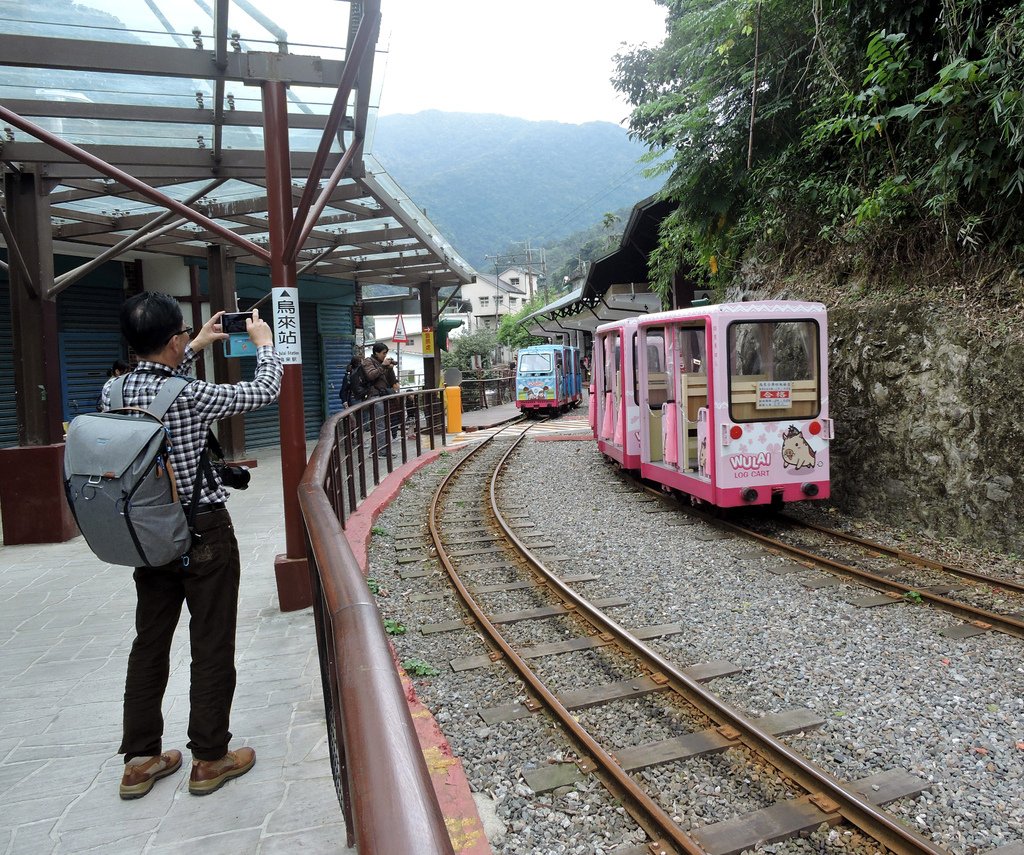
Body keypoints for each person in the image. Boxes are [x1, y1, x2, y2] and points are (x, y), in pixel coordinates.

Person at [100, 293, 283, 800]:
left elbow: (158, 385)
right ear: (173, 339)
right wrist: (264, 344)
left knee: (149, 642)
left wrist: (195, 344)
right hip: (202, 531)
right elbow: (263, 390)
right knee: (210, 641)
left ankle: (139, 760)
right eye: (183, 335)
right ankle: (209, 757)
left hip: (147, 535)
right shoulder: (192, 394)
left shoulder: (112, 390)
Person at [359, 341, 394, 456]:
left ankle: (374, 451)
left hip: (380, 396)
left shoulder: (378, 362)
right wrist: (383, 366)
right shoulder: (368, 362)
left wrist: (389, 367)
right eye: (383, 353)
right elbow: (371, 375)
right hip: (374, 396)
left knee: (380, 424)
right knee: (380, 425)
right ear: (376, 352)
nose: (385, 355)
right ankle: (382, 452)